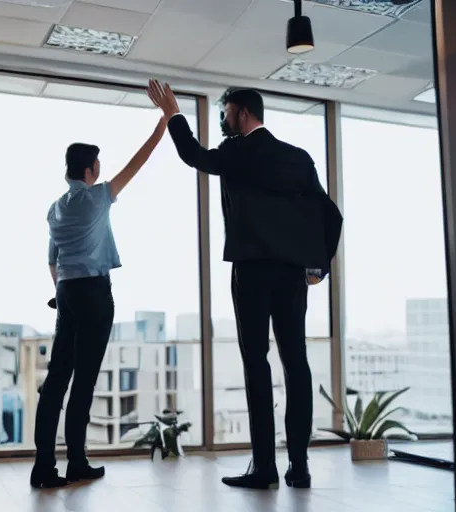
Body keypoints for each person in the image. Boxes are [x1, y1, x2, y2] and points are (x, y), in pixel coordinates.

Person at [147, 80, 343, 490]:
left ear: (242, 111)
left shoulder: (237, 151)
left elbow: (194, 155)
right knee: (296, 362)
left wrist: (173, 115)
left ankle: (265, 468)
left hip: (252, 271)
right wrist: (317, 265)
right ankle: (300, 466)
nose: (222, 120)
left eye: (225, 113)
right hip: (292, 274)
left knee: (257, 364)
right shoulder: (298, 158)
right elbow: (329, 213)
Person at [30, 116, 167, 489]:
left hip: (67, 294)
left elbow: (51, 260)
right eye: (98, 166)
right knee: (84, 382)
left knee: (57, 379)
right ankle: (77, 461)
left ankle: (43, 466)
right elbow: (139, 162)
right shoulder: (97, 197)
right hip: (93, 294)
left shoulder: (55, 209)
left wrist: (61, 290)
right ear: (90, 170)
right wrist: (163, 122)